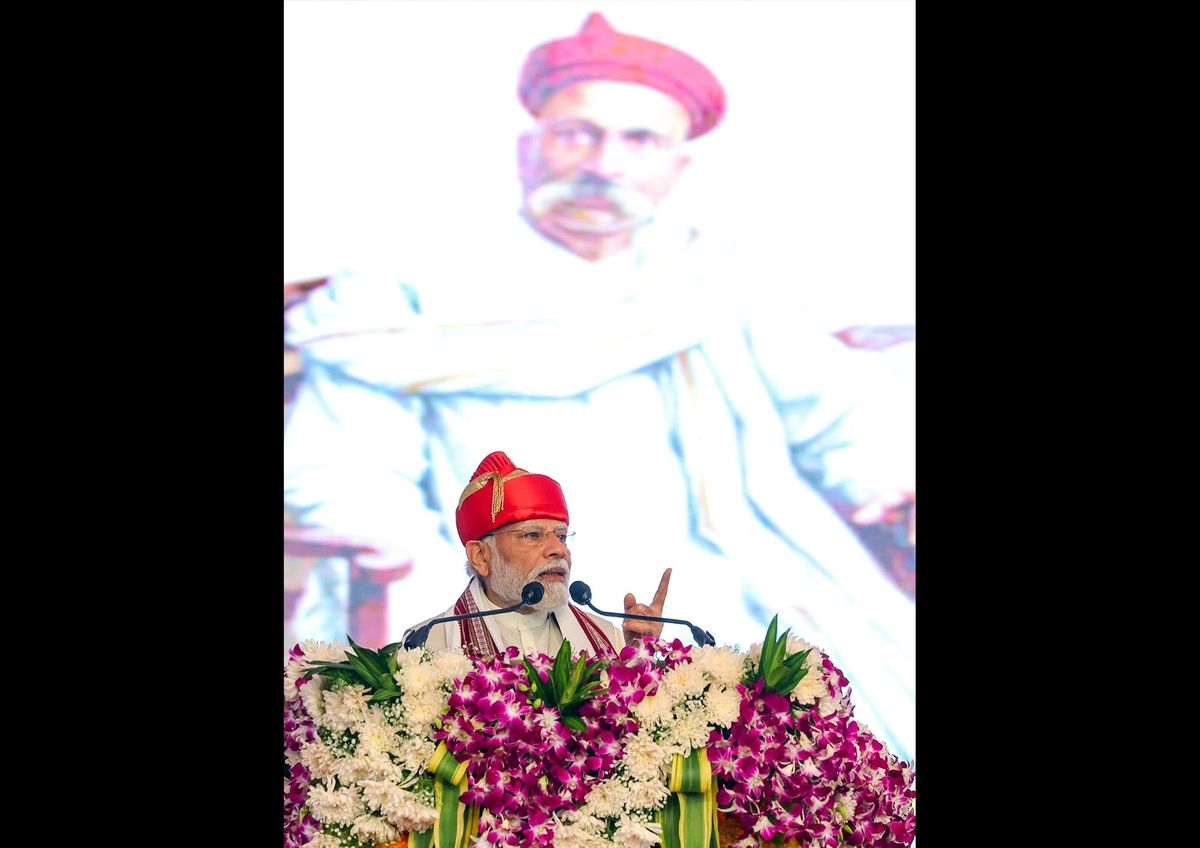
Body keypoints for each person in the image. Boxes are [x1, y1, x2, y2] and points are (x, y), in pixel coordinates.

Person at [284, 12, 915, 761]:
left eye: (639, 140)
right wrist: (451, 598)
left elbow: (833, 418)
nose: (602, 163)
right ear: (530, 149)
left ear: (677, 167)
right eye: (576, 134)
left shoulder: (712, 279)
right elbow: (341, 471)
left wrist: (885, 486)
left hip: (719, 570)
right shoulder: (399, 293)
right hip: (492, 583)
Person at [403, 450, 670, 658]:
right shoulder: (425, 646)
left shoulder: (609, 640)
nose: (559, 550)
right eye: (532, 535)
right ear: (481, 557)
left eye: (562, 536)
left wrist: (638, 661)